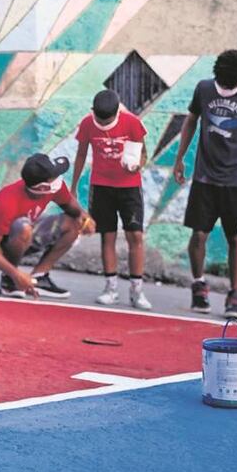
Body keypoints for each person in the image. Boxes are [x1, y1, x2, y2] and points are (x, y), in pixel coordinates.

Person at [173, 49, 237, 322]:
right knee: (199, 235)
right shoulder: (204, 89)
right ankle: (199, 284)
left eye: (231, 84)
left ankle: (235, 295)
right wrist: (180, 158)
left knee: (236, 238)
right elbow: (191, 120)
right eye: (222, 83)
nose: (225, 88)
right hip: (205, 178)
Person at [71, 89, 151, 310]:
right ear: (93, 112)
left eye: (107, 120)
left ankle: (136, 291)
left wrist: (137, 164)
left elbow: (143, 153)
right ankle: (111, 288)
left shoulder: (132, 123)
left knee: (135, 235)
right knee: (107, 236)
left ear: (117, 112)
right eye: (99, 119)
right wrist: (74, 186)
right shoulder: (87, 124)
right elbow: (80, 154)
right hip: (101, 186)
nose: (102, 123)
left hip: (129, 187)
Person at [0, 154, 95, 298]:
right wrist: (16, 274)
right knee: (23, 227)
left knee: (74, 223)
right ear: (42, 187)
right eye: (55, 175)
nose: (59, 178)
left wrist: (85, 217)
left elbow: (69, 205)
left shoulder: (52, 187)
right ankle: (9, 281)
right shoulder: (6, 202)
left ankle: (40, 276)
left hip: (23, 234)